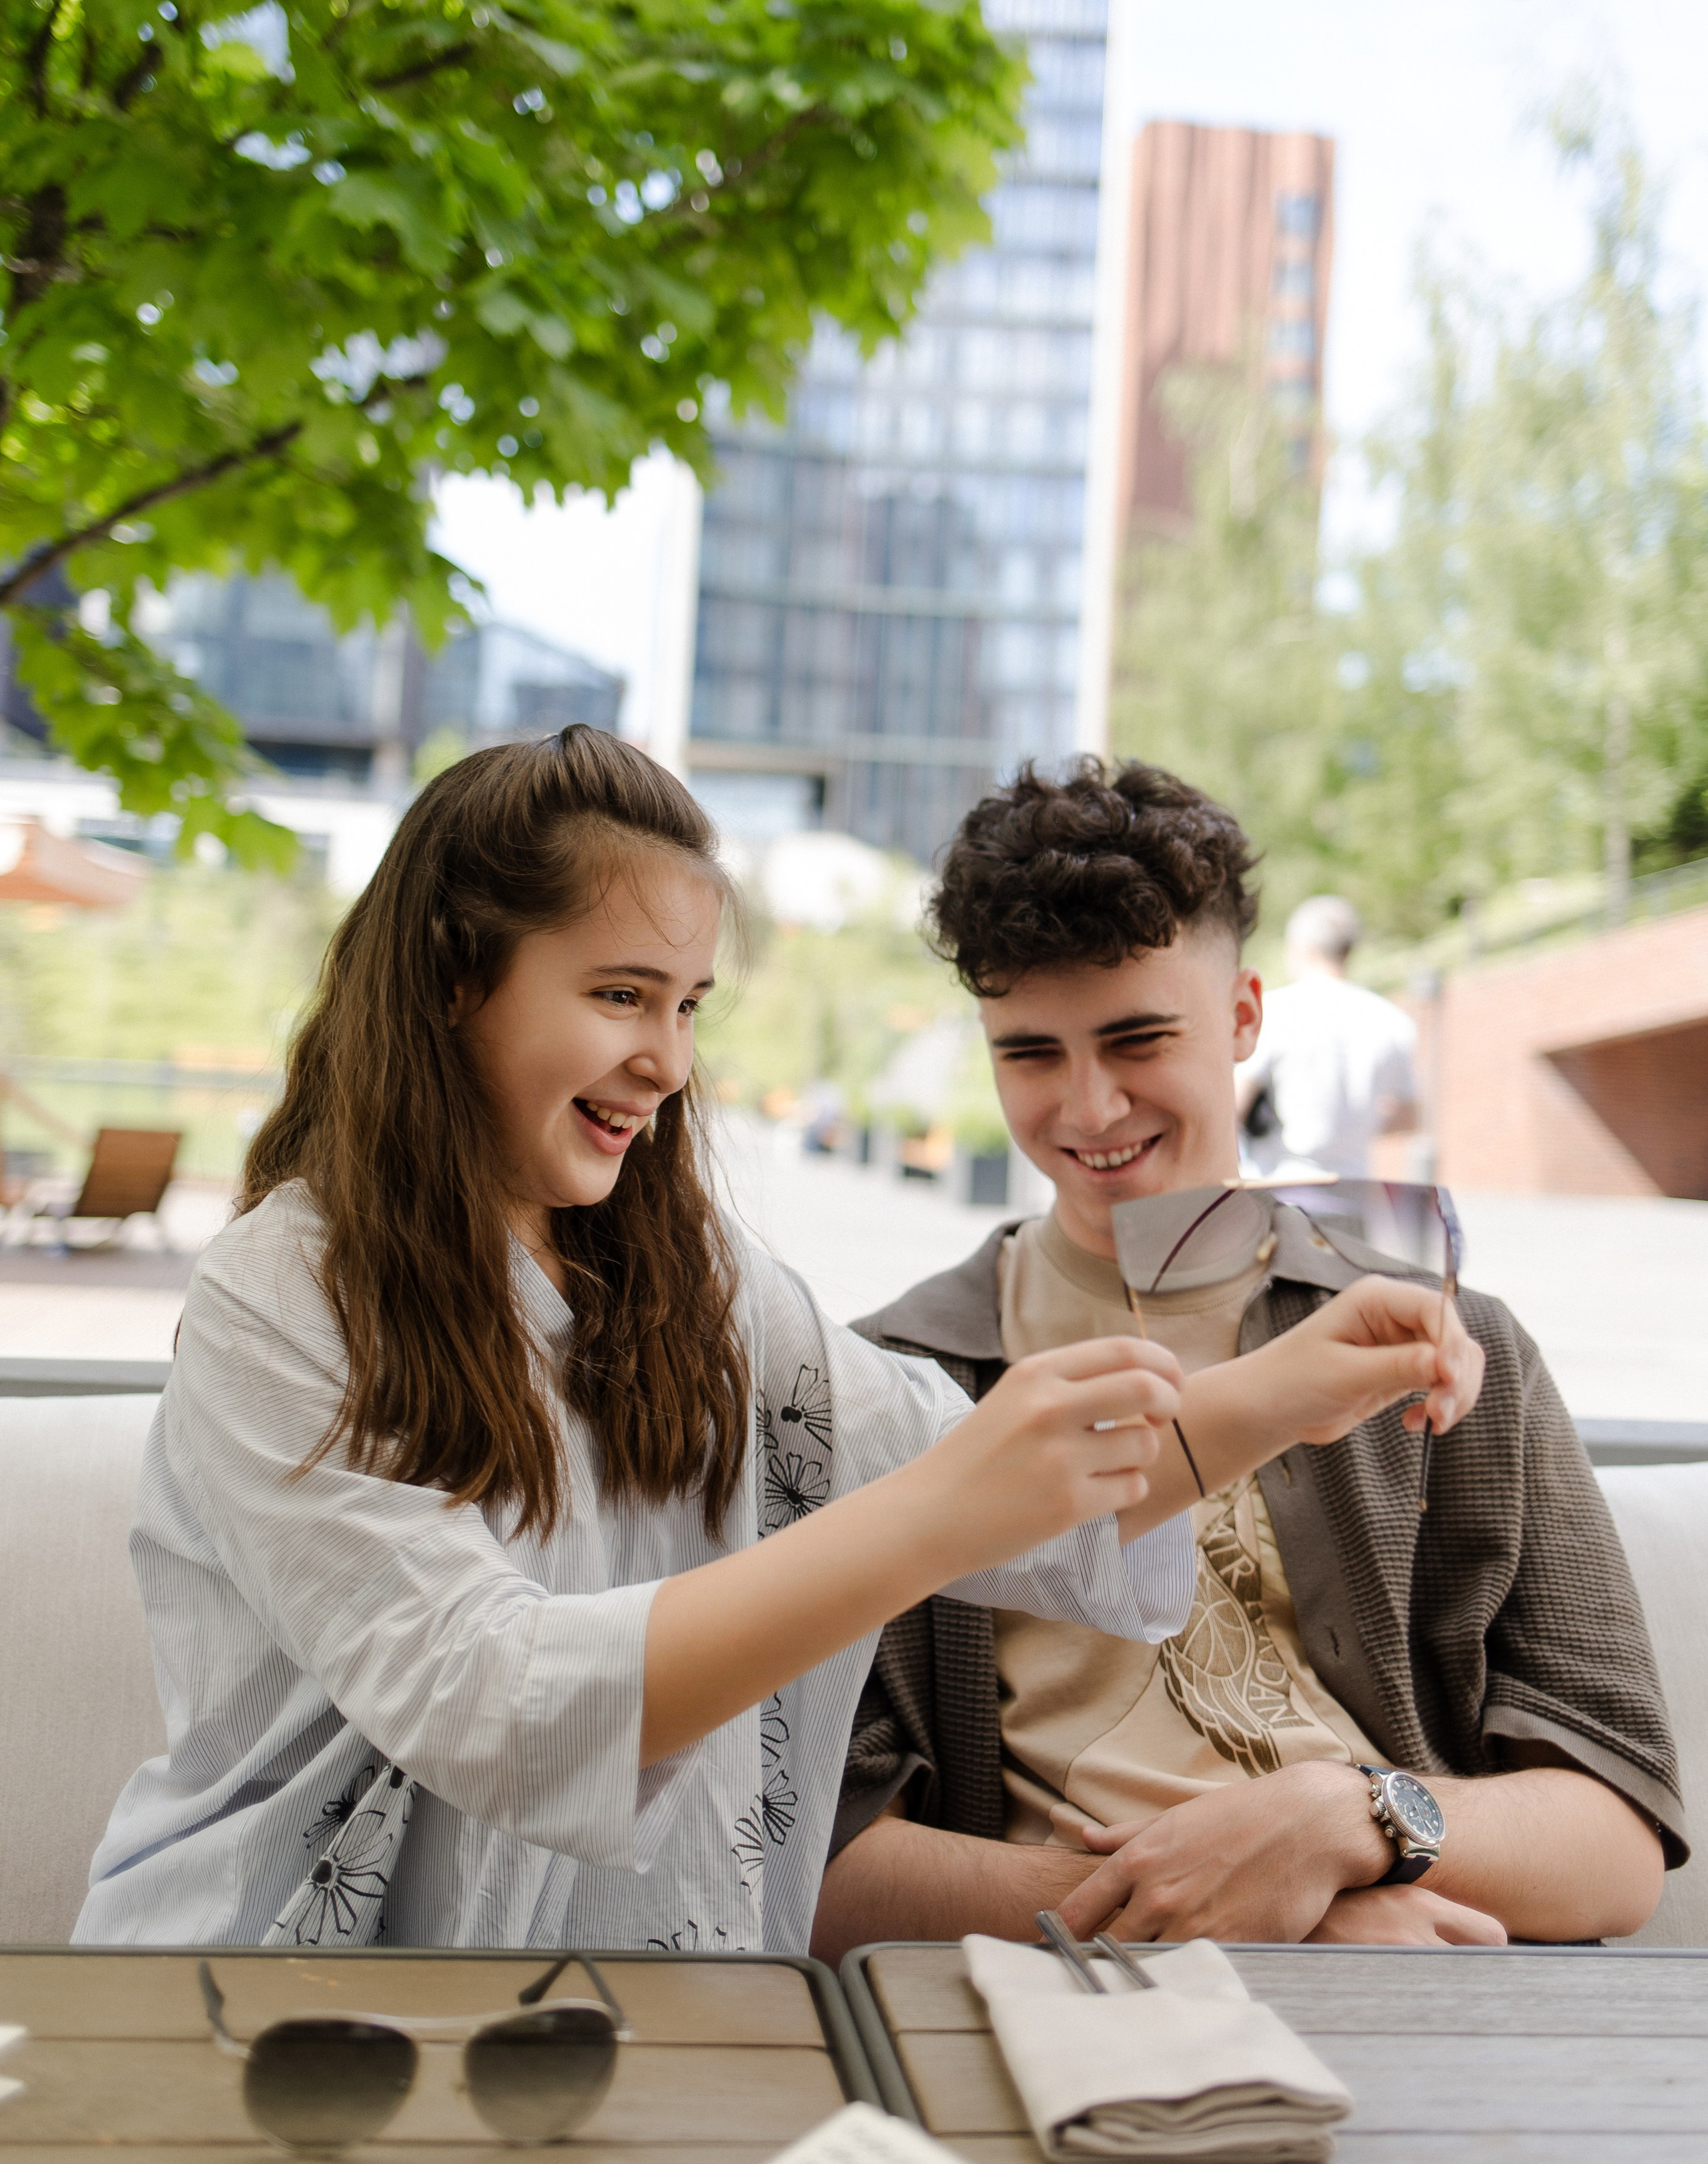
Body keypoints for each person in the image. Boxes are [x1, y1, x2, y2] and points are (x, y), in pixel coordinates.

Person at [75, 729, 1478, 1954]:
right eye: (621, 995)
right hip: (260, 1997)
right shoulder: (281, 1298)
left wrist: (1288, 1386)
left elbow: (993, 1481)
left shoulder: (689, 1279)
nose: (667, 1062)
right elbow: (491, 1704)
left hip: (603, 2013)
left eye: (686, 1008)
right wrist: (927, 1521)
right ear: (456, 975)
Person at [813, 758, 1683, 1962]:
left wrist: (1350, 1820)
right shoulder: (892, 1381)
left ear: (1242, 1020)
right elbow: (819, 1860)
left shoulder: (1448, 1344)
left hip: (1429, 1989)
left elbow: (1616, 1840)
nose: (1090, 1107)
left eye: (1138, 1038)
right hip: (1068, 1997)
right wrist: (1258, 1921)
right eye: (1030, 1054)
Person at [1236, 894, 1417, 1179]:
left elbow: (1237, 1102)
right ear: (1348, 950)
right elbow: (1411, 1114)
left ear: (1300, 948)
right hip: (1356, 1189)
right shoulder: (1392, 1021)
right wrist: (1356, 1126)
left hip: (1281, 1184)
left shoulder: (1276, 1012)